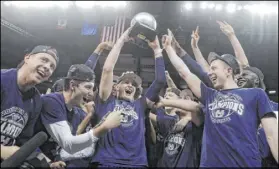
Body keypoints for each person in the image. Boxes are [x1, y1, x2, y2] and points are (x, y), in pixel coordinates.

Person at [163, 30, 278, 167]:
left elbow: (271, 134)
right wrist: (169, 49)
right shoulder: (210, 95)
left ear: (228, 71)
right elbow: (185, 72)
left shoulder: (256, 94)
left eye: (214, 68)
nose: (210, 72)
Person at [90, 26, 166, 168]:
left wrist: (157, 50)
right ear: (116, 87)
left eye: (133, 84)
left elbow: (160, 80)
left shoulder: (141, 104)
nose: (130, 85)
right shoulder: (106, 100)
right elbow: (107, 69)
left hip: (136, 163)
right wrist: (122, 40)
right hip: (107, 161)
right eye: (125, 82)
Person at [39, 64, 123, 167]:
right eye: (88, 87)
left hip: (47, 161)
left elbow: (69, 145)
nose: (91, 94)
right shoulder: (52, 102)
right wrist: (104, 127)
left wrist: (100, 124)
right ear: (72, 85)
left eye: (92, 89)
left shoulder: (74, 112)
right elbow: (69, 145)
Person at [1, 45, 58, 161]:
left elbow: (25, 139)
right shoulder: (2, 80)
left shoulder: (36, 100)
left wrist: (45, 160)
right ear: (27, 58)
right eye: (44, 60)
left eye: (52, 66)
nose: (47, 67)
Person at [155, 88, 204, 167]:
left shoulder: (195, 125)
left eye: (179, 100)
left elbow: (196, 108)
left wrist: (187, 118)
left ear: (187, 100)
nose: (176, 104)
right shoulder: (170, 121)